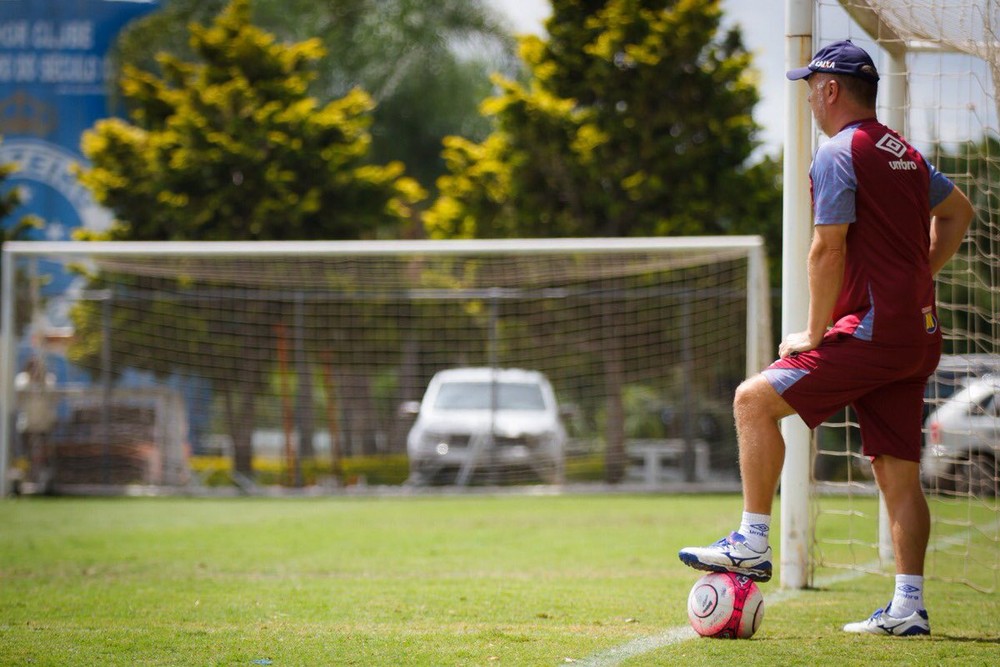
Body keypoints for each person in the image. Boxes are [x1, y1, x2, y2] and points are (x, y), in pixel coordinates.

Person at [678, 40, 974, 636]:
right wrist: (917, 277)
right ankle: (908, 608)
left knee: (752, 400)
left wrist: (812, 334)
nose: (809, 97)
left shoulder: (838, 152)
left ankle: (752, 542)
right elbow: (960, 212)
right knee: (896, 469)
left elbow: (826, 245)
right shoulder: (905, 153)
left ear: (831, 89)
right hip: (917, 333)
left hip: (871, 332)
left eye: (811, 85)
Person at [15, 356, 58, 490]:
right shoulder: (22, 380)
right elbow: (19, 394)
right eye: (33, 368)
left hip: (44, 425)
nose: (35, 371)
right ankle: (22, 478)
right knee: (24, 453)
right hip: (27, 425)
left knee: (44, 453)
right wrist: (31, 381)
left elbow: (54, 398)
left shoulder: (48, 381)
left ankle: (45, 480)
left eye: (38, 368)